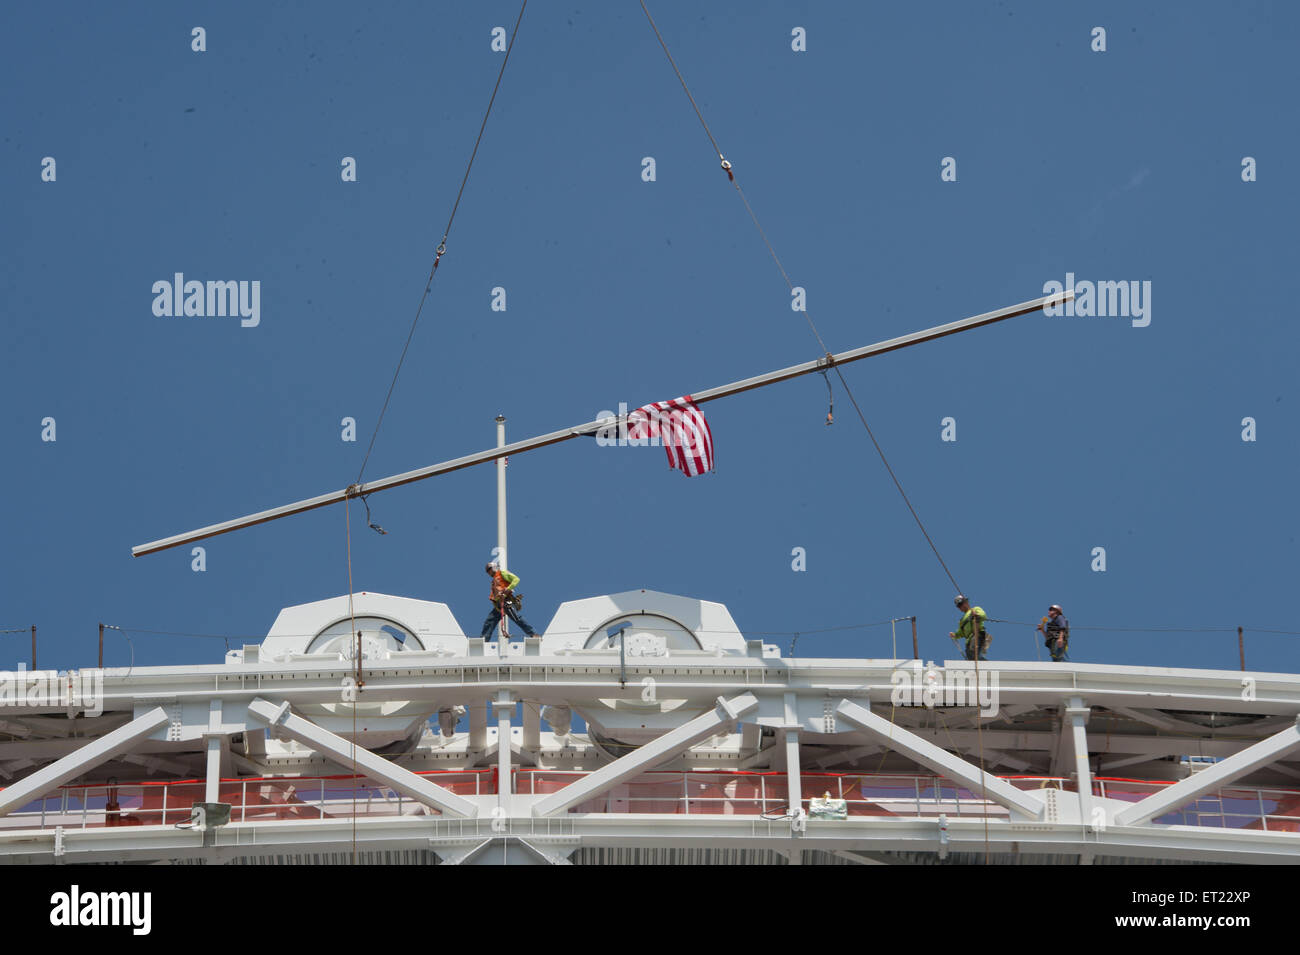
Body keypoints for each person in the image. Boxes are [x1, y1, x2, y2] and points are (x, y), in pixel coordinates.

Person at [479, 562, 538, 638]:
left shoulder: (502, 574)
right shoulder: (494, 582)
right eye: (487, 571)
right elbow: (495, 596)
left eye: (489, 569)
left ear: (494, 567)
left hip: (506, 600)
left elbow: (516, 579)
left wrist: (508, 589)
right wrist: (496, 602)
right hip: (499, 604)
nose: (489, 572)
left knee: (516, 618)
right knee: (490, 621)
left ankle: (533, 634)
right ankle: (484, 639)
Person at [949, 594, 990, 661]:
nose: (960, 607)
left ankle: (985, 664)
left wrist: (977, 615)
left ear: (966, 602)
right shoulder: (962, 620)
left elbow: (983, 615)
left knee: (972, 652)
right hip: (969, 640)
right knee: (970, 656)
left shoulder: (975, 609)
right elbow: (961, 632)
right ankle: (982, 665)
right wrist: (955, 635)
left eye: (961, 604)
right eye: (959, 606)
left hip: (977, 634)